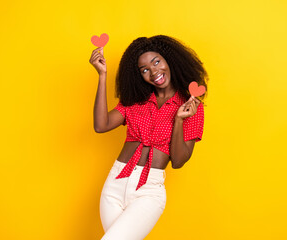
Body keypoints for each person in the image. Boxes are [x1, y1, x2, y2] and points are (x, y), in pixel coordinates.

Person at [89, 35, 208, 240]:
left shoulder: (191, 107)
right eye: (144, 70)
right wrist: (102, 76)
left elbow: (178, 161)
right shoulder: (136, 100)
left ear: (169, 60)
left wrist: (178, 120)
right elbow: (101, 125)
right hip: (115, 184)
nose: (154, 72)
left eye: (157, 62)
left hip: (148, 191)